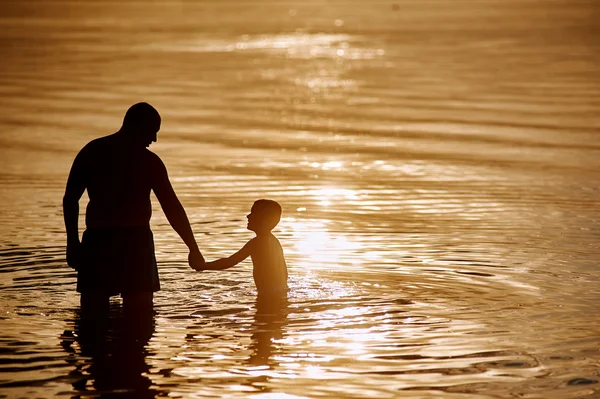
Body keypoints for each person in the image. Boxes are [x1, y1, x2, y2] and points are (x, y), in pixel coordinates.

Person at [63, 102, 205, 318]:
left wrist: (73, 241)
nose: (154, 139)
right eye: (152, 131)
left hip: (108, 241)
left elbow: (71, 199)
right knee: (138, 317)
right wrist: (192, 247)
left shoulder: (93, 151)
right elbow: (172, 207)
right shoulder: (148, 162)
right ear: (137, 126)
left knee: (94, 319)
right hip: (129, 244)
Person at [197, 199, 288, 296]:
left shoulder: (257, 242)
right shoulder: (275, 241)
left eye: (253, 213)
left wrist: (203, 266)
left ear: (265, 219)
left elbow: (230, 261)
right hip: (281, 293)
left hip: (268, 297)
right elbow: (285, 272)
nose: (248, 216)